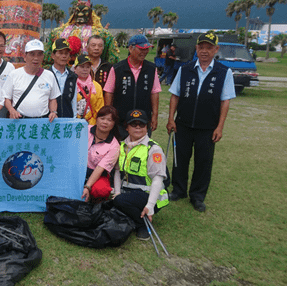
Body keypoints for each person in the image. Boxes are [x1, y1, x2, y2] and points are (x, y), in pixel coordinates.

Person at [167, 32, 235, 212]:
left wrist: (220, 127)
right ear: (196, 48)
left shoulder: (223, 72)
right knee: (180, 159)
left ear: (216, 49)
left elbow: (225, 101)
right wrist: (170, 119)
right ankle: (179, 190)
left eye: (209, 48)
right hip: (183, 123)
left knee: (203, 162)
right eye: (201, 47)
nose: (205, 51)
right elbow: (175, 95)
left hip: (208, 126)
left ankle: (197, 196)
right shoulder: (185, 69)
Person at [112, 109, 169, 240]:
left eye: (142, 124)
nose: (138, 127)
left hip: (149, 195)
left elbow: (158, 179)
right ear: (126, 127)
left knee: (120, 201)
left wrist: (150, 206)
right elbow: (117, 171)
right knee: (112, 200)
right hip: (128, 192)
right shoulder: (121, 147)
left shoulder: (153, 149)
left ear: (147, 127)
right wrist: (117, 192)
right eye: (133, 124)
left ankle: (142, 225)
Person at [103, 34, 161, 137]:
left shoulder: (151, 69)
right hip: (121, 121)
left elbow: (155, 92)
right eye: (141, 49)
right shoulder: (117, 68)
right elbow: (109, 92)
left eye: (146, 49)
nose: (145, 52)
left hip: (142, 122)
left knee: (141, 151)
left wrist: (155, 116)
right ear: (130, 48)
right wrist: (109, 115)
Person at [3, 39, 61, 121]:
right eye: (32, 54)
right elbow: (6, 98)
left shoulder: (49, 75)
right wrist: (11, 110)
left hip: (42, 121)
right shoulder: (14, 74)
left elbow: (53, 99)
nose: (36, 58)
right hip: (20, 120)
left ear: (43, 57)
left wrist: (54, 112)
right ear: (25, 56)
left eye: (39, 54)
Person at [81, 106, 120, 202]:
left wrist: (87, 186)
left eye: (109, 120)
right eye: (102, 118)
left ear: (114, 124)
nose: (105, 122)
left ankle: (93, 199)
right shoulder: (84, 129)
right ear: (96, 119)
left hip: (97, 174)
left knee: (101, 190)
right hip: (78, 170)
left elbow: (100, 168)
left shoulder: (114, 146)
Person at [47, 38, 77, 118]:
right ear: (53, 55)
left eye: (66, 53)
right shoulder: (46, 74)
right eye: (60, 53)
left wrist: (73, 119)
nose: (64, 56)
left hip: (67, 120)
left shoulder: (72, 76)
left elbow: (74, 101)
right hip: (49, 119)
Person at [74, 54, 104, 125]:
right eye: (82, 67)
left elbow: (100, 108)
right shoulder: (70, 84)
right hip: (74, 122)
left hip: (91, 123)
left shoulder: (97, 86)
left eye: (88, 67)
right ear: (75, 68)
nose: (85, 69)